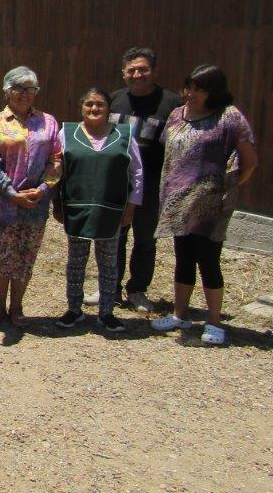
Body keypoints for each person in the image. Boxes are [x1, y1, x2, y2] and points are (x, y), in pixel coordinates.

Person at [151, 65, 258, 346]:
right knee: (183, 257)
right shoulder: (177, 115)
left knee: (208, 260)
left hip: (212, 206)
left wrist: (228, 187)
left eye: (199, 88)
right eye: (189, 87)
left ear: (214, 91)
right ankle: (180, 314)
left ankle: (214, 321)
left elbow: (250, 161)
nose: (191, 93)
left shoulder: (229, 117)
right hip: (178, 202)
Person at [0, 67, 61, 325]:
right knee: (2, 256)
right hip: (3, 203)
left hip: (35, 202)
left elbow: (56, 158)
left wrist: (44, 188)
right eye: (18, 88)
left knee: (25, 255)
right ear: (7, 91)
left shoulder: (49, 122)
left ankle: (18, 307)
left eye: (30, 89)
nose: (24, 94)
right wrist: (12, 194)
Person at [54, 88, 143, 333]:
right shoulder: (67, 133)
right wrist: (56, 204)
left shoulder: (124, 135)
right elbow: (57, 170)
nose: (94, 109)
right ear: (81, 108)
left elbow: (137, 173)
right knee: (76, 261)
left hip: (111, 209)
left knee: (108, 263)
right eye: (89, 104)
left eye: (100, 104)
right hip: (77, 207)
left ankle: (106, 312)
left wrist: (132, 207)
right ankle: (74, 309)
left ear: (108, 109)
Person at [108, 47, 182, 312]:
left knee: (145, 239)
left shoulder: (171, 104)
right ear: (123, 73)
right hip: (116, 184)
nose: (137, 75)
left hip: (152, 185)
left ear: (153, 71)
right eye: (131, 70)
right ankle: (110, 288)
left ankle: (137, 289)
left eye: (143, 69)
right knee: (113, 237)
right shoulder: (114, 100)